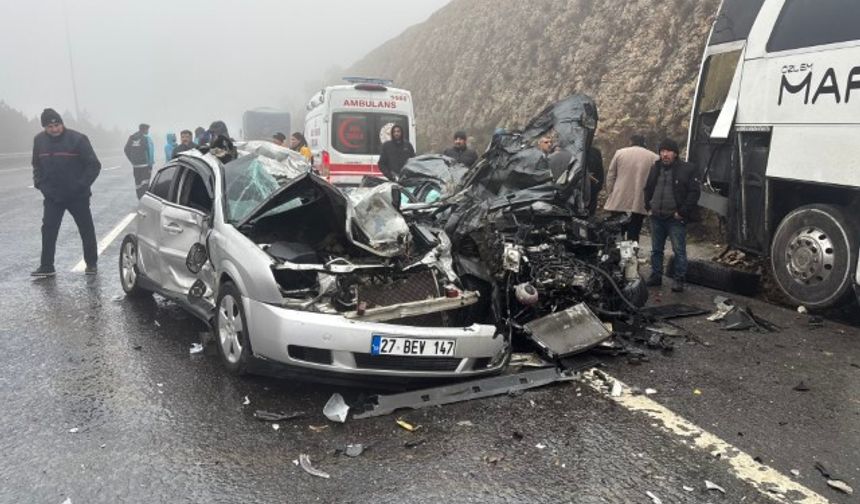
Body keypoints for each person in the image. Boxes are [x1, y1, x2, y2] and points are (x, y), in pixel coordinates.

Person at [31, 108, 101, 277]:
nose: (54, 129)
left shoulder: (78, 139)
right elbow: (36, 165)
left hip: (77, 196)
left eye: (57, 125)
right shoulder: (39, 141)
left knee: (86, 229)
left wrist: (81, 185)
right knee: (48, 230)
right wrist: (40, 183)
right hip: (53, 197)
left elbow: (94, 165)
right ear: (44, 127)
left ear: (62, 123)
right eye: (50, 126)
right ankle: (47, 266)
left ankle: (91, 264)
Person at [643, 138, 701, 293]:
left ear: (675, 153)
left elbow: (694, 193)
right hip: (656, 216)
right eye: (662, 151)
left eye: (668, 151)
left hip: (675, 218)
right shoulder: (655, 168)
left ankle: (679, 280)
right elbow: (648, 188)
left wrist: (682, 212)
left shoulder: (687, 169)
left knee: (679, 251)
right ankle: (656, 276)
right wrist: (648, 206)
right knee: (656, 250)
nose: (665, 154)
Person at [604, 134, 659, 241]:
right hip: (639, 200)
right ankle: (632, 254)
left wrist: (610, 192)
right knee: (634, 230)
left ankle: (616, 254)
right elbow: (654, 181)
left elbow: (611, 175)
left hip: (619, 198)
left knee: (617, 230)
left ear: (630, 141)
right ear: (644, 143)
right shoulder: (654, 157)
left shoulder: (620, 153)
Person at [124, 123, 154, 199]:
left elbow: (126, 150)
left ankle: (139, 198)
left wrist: (132, 161)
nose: (148, 131)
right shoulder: (146, 138)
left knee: (138, 184)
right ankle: (144, 200)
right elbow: (150, 151)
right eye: (148, 130)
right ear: (145, 129)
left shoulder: (132, 138)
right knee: (145, 184)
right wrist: (150, 165)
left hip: (136, 166)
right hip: (145, 166)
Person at [586, 145, 604, 216]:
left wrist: (599, 183)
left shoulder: (595, 152)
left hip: (592, 184)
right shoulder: (595, 151)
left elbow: (600, 169)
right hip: (581, 185)